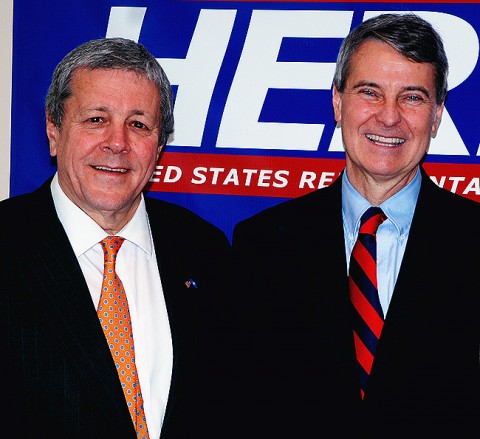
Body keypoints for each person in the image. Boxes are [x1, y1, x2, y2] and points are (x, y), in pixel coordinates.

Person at [232, 13, 479, 438]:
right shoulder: (262, 244)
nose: (388, 117)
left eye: (413, 97)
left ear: (437, 116)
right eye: (370, 92)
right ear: (338, 103)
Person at [2, 38, 235, 438]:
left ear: (160, 145)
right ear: (53, 130)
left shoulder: (206, 251)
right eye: (96, 119)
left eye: (139, 124)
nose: (117, 143)